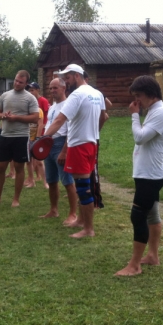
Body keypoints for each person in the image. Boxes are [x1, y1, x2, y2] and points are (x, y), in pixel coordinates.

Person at [115, 75, 163, 276]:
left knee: (138, 215)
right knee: (152, 215)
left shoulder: (161, 112)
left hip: (151, 175)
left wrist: (134, 115)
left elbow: (140, 138)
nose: (136, 100)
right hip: (147, 173)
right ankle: (152, 256)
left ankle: (134, 265)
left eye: (139, 95)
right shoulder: (155, 111)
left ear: (151, 94)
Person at [44, 64, 107, 238]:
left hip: (78, 145)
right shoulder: (97, 93)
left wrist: (43, 139)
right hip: (91, 144)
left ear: (77, 76)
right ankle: (80, 220)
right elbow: (104, 117)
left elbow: (59, 120)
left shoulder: (77, 95)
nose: (66, 82)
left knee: (83, 188)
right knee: (84, 186)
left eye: (68, 78)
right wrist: (93, 133)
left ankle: (88, 229)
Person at [0, 70, 39, 208]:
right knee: (0, 168)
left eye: (20, 82)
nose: (17, 83)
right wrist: (3, 116)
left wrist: (16, 118)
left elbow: (35, 117)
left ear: (26, 83)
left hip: (21, 137)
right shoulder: (5, 95)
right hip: (5, 136)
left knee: (19, 168)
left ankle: (16, 199)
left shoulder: (30, 98)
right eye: (16, 80)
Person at [39, 78, 78, 225]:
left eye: (55, 88)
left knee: (67, 181)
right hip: (49, 144)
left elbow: (71, 131)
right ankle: (54, 210)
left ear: (64, 88)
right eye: (50, 88)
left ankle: (73, 214)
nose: (52, 91)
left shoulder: (69, 105)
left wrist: (64, 151)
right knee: (51, 180)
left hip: (61, 144)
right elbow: (49, 124)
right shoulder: (53, 106)